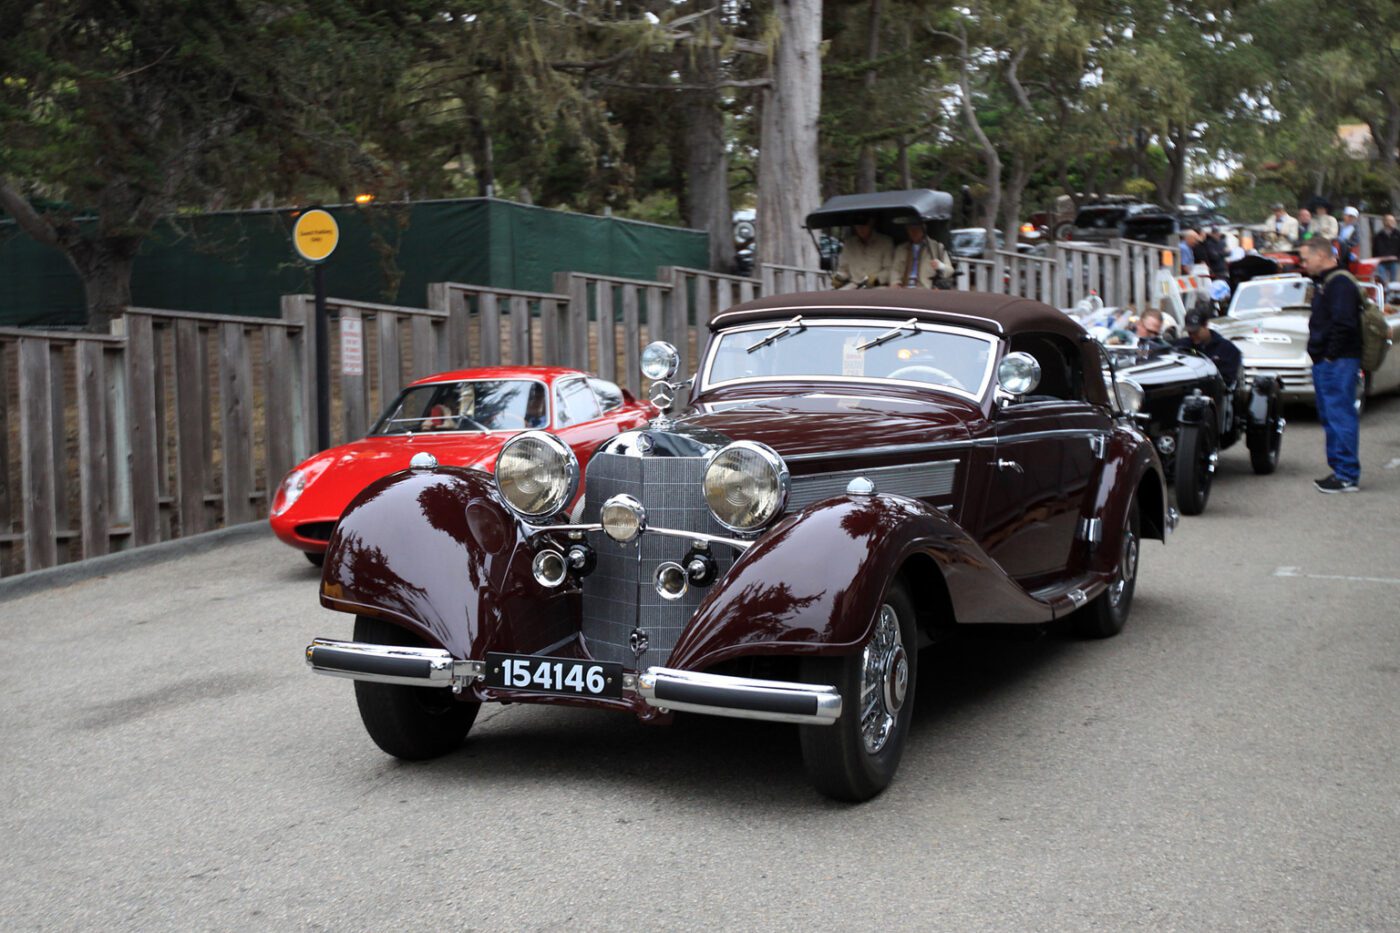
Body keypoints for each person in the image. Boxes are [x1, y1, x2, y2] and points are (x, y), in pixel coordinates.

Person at [1298, 237, 1362, 493]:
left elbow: (1345, 323)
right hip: (1331, 360)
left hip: (1338, 361)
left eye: (1306, 259)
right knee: (1331, 416)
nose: (1303, 264)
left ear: (1321, 256)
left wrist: (1330, 356)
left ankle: (1346, 475)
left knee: (1340, 415)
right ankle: (1340, 471)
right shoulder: (1327, 282)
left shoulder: (1340, 283)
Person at [1176, 306, 1242, 386]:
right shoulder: (1181, 346)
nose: (1193, 336)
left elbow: (1228, 382)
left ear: (1206, 325)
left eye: (1196, 332)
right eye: (1190, 333)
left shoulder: (1227, 349)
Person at [833, 216, 894, 288]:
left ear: (871, 223)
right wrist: (837, 280)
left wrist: (873, 280)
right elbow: (843, 269)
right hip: (854, 285)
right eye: (858, 225)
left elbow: (889, 269)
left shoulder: (885, 242)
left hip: (877, 286)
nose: (860, 228)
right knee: (837, 293)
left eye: (864, 225)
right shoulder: (849, 243)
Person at [891, 222, 952, 288]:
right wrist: (896, 282)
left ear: (924, 229)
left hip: (926, 289)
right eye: (910, 229)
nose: (914, 232)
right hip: (904, 288)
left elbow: (950, 271)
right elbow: (895, 270)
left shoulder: (937, 247)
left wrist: (940, 266)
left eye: (917, 228)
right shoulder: (901, 249)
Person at [1372, 214, 1400, 286]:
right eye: (1389, 220)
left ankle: (1392, 292)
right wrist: (1376, 260)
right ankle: (1384, 292)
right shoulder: (1378, 235)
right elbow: (1374, 249)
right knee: (1382, 281)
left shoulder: (1398, 234)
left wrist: (1397, 258)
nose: (1392, 222)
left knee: (1393, 282)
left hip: (1394, 262)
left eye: (1393, 221)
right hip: (1381, 262)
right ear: (1384, 222)